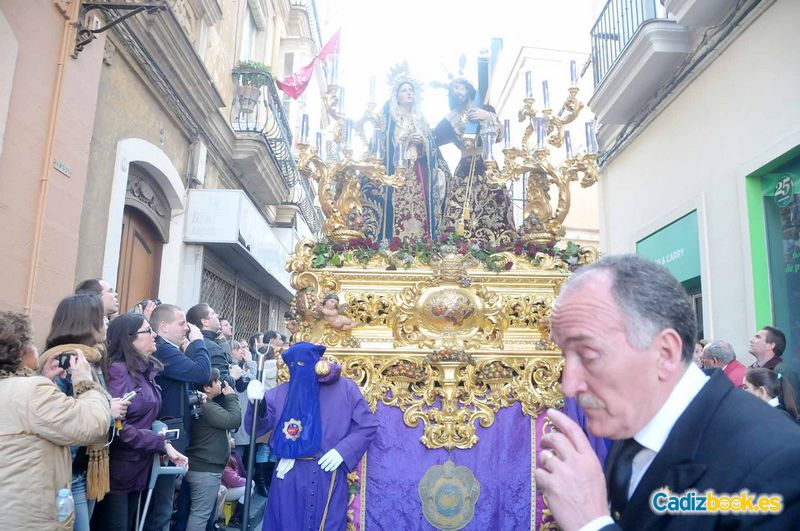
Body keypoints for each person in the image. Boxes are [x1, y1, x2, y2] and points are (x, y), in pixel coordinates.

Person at [537, 254, 800, 530]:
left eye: (588, 355)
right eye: (565, 356)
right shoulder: (632, 426)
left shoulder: (779, 466)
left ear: (665, 353)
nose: (569, 384)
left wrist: (591, 523)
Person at [244, 342, 377, 530]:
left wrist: (342, 451)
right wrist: (257, 404)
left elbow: (367, 425)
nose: (299, 368)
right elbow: (256, 428)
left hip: (327, 471)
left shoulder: (345, 388)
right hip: (290, 477)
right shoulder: (281, 393)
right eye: (293, 365)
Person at [0, 311, 111, 531]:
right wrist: (84, 381)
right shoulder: (32, 391)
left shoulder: (21, 388)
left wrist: (43, 380)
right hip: (29, 517)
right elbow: (91, 424)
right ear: (20, 350)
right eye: (31, 342)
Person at [92, 313, 189, 531]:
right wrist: (157, 442)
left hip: (137, 470)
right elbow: (118, 427)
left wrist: (165, 444)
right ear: (130, 338)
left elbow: (147, 418)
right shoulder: (118, 371)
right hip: (117, 472)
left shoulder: (144, 370)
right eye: (148, 330)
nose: (154, 334)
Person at [44, 294, 130, 530]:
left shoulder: (91, 358)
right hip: (68, 473)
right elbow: (60, 420)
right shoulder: (66, 363)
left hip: (85, 467)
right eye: (101, 318)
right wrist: (106, 411)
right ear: (86, 322)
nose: (106, 323)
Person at [143, 303, 211, 531]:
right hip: (166, 434)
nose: (186, 329)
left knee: (163, 500)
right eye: (181, 323)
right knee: (160, 505)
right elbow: (202, 372)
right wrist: (199, 341)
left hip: (170, 431)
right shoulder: (163, 349)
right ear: (163, 327)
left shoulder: (168, 348)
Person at [362, 68, 448, 241]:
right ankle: (393, 242)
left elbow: (433, 148)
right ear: (397, 96)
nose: (409, 93)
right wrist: (405, 140)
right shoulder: (389, 117)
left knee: (420, 209)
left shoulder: (420, 119)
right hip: (396, 172)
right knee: (395, 208)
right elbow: (382, 143)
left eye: (411, 90)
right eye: (404, 90)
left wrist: (423, 142)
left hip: (418, 174)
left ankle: (421, 244)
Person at [434, 78, 515, 244]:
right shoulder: (451, 119)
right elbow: (433, 137)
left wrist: (487, 117)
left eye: (460, 87)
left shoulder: (484, 109)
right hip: (464, 167)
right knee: (459, 205)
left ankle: (496, 242)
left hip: (486, 164)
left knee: (494, 201)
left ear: (468, 89)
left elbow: (499, 136)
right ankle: (457, 244)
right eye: (453, 89)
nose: (457, 91)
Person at [184, 368, 241, 531]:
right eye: (216, 381)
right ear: (207, 387)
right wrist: (231, 396)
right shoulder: (206, 407)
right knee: (200, 515)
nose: (220, 383)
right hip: (205, 470)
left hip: (202, 467)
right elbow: (234, 419)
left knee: (199, 513)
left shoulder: (202, 405)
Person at [187, 303, 246, 392]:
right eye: (213, 313)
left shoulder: (195, 344)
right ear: (205, 322)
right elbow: (220, 383)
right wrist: (233, 376)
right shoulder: (212, 347)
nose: (217, 315)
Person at [748, 326, 800, 394]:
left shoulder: (784, 373)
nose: (751, 340)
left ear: (770, 346)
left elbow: (791, 403)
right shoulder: (751, 369)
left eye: (758, 337)